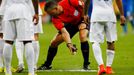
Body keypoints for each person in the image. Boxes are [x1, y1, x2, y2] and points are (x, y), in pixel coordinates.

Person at [37, 0, 90, 70]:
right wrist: (69, 44)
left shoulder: (69, 1)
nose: (52, 16)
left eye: (52, 13)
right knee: (53, 42)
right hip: (71, 25)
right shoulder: (55, 19)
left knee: (83, 36)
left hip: (82, 20)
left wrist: (83, 19)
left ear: (56, 8)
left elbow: (84, 6)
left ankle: (86, 64)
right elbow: (64, 32)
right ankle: (47, 65)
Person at [1, 0, 39, 75]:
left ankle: (7, 71)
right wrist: (36, 13)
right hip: (23, 11)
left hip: (8, 11)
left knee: (8, 42)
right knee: (27, 41)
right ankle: (31, 72)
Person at [89, 0, 126, 75]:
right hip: (110, 16)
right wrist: (122, 15)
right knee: (111, 41)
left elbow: (86, 1)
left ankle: (101, 67)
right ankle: (109, 68)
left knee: (95, 42)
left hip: (97, 16)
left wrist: (85, 14)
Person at [15, 5, 43, 73]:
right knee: (35, 36)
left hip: (18, 10)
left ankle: (20, 62)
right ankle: (33, 66)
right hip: (33, 9)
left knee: (18, 35)